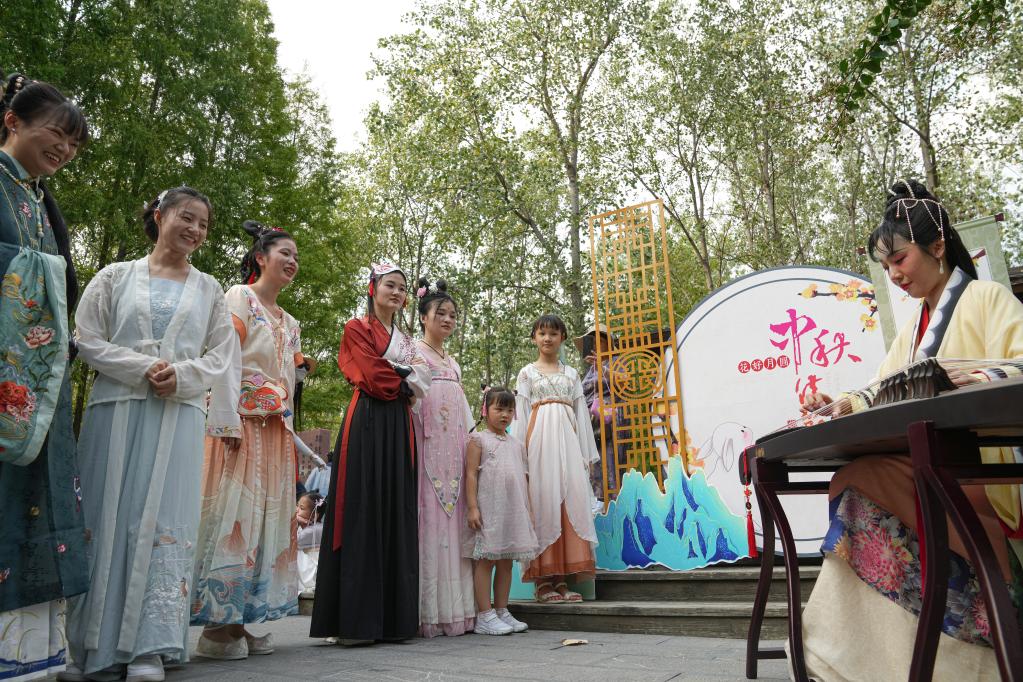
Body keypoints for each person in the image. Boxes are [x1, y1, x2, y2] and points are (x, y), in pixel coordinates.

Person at [799, 179, 1023, 680]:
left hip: (984, 470)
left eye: (899, 259)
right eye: (886, 267)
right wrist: (839, 403)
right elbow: (880, 388)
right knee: (853, 478)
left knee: (861, 479)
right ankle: (879, 656)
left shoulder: (987, 298)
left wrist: (976, 376)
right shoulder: (914, 330)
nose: (894, 275)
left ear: (938, 247)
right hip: (937, 463)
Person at [64, 187, 239, 682]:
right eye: (187, 217)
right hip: (114, 411)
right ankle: (91, 647)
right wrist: (141, 367)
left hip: (178, 415)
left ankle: (149, 647)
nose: (195, 230)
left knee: (164, 519)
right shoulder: (113, 276)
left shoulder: (209, 290)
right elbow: (86, 338)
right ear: (159, 216)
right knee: (106, 515)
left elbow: (222, 354)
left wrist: (182, 375)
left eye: (203, 224)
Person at [0, 73, 88, 682]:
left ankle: (34, 654)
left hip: (39, 377)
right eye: (56, 134)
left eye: (74, 144)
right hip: (9, 371)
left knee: (42, 497)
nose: (65, 149)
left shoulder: (36, 198)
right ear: (13, 121)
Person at [191, 221, 303, 659]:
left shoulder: (290, 321)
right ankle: (215, 628)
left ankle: (236, 622)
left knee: (261, 520)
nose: (292, 261)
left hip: (275, 429)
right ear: (260, 257)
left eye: (295, 256)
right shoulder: (240, 297)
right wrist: (225, 420)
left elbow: (289, 372)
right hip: (241, 420)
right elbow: (225, 356)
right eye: (284, 253)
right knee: (233, 514)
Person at [310, 263, 430, 644]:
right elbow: (370, 374)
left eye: (402, 288)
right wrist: (405, 378)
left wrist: (402, 373)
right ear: (373, 288)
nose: (396, 292)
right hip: (366, 421)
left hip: (399, 425)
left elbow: (424, 378)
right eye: (389, 285)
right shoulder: (356, 329)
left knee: (396, 507)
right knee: (362, 506)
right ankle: (355, 622)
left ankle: (393, 622)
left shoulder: (407, 340)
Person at [513, 314, 599, 603]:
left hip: (568, 445)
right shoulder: (526, 373)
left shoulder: (571, 374)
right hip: (539, 446)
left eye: (553, 333)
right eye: (542, 333)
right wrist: (521, 458)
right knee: (544, 502)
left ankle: (561, 580)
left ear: (562, 337)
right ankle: (542, 583)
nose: (547, 338)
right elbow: (521, 415)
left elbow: (581, 416)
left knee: (568, 504)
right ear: (534, 338)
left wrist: (586, 455)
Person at [412, 277, 476, 638]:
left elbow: (464, 415)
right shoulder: (412, 353)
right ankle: (427, 612)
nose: (448, 319)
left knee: (455, 522)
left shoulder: (453, 363)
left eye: (453, 314)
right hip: (424, 450)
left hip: (455, 454)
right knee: (428, 521)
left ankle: (458, 611)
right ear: (424, 317)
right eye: (441, 313)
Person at [464, 386, 539, 635]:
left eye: (509, 410)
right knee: (487, 561)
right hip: (489, 511)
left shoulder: (517, 445)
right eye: (499, 409)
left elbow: (523, 480)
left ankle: (501, 610)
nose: (505, 415)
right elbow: (471, 475)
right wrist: (472, 507)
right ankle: (485, 615)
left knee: (506, 563)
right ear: (486, 410)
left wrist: (528, 511)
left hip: (512, 512)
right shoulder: (478, 440)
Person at [575, 324, 628, 503]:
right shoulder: (589, 370)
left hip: (611, 419)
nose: (595, 346)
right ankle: (600, 501)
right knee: (595, 462)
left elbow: (624, 382)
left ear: (608, 343)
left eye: (599, 341)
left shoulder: (617, 361)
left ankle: (614, 500)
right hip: (592, 422)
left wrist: (603, 369)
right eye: (592, 342)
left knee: (611, 460)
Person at [295, 492, 324, 593]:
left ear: (314, 515)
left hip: (310, 573)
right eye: (297, 505)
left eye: (301, 508)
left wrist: (294, 521)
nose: (296, 510)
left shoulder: (314, 530)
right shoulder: (301, 527)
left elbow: (292, 542)